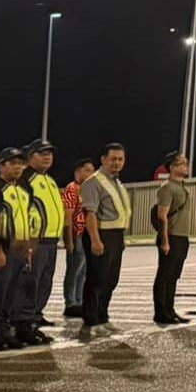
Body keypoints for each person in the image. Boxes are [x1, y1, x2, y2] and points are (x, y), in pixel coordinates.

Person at [0, 148, 35, 351]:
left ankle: (5, 331)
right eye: (12, 163)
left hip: (19, 250)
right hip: (3, 249)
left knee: (10, 293)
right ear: (1, 166)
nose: (17, 167)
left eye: (20, 163)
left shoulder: (23, 189)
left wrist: (28, 248)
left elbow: (26, 220)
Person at [79, 143, 132, 334]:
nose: (117, 163)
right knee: (97, 279)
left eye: (120, 159)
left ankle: (103, 316)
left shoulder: (116, 182)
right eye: (113, 159)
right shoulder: (94, 182)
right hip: (101, 234)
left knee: (111, 279)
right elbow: (90, 213)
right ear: (103, 160)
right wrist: (95, 239)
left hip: (116, 235)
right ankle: (91, 320)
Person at [20, 139, 65, 337]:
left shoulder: (49, 180)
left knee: (45, 281)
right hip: (35, 241)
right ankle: (24, 320)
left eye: (49, 153)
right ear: (29, 158)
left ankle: (35, 316)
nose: (47, 157)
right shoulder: (26, 180)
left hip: (51, 240)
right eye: (41, 153)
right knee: (31, 282)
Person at [153, 151, 193, 325]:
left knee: (173, 276)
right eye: (181, 163)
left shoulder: (181, 187)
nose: (186, 166)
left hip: (182, 237)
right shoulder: (167, 188)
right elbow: (162, 216)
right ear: (172, 167)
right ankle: (160, 312)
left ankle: (170, 309)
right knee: (164, 275)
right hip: (171, 236)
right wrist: (165, 241)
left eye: (186, 163)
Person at [61, 157, 96, 318]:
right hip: (77, 235)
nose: (91, 173)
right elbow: (67, 218)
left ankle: (79, 301)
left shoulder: (88, 190)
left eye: (92, 170)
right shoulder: (72, 189)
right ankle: (70, 303)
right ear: (78, 172)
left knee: (84, 271)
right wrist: (69, 240)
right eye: (87, 170)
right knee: (74, 270)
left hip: (86, 235)